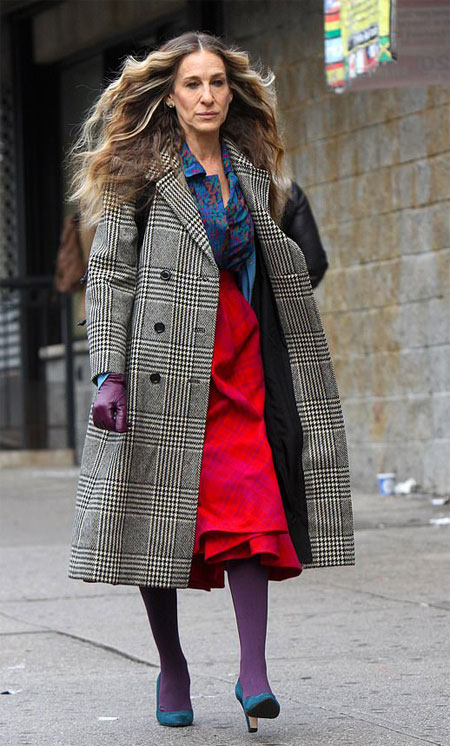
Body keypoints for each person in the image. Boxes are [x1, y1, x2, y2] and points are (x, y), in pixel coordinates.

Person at [67, 31, 354, 733]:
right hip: (160, 366)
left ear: (232, 92)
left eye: (218, 83)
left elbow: (292, 257)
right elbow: (109, 275)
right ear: (171, 94)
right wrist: (109, 372)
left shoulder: (256, 171)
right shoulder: (138, 176)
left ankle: (252, 672)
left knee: (252, 507)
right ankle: (172, 664)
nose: (208, 95)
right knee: (156, 521)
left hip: (242, 357)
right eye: (194, 84)